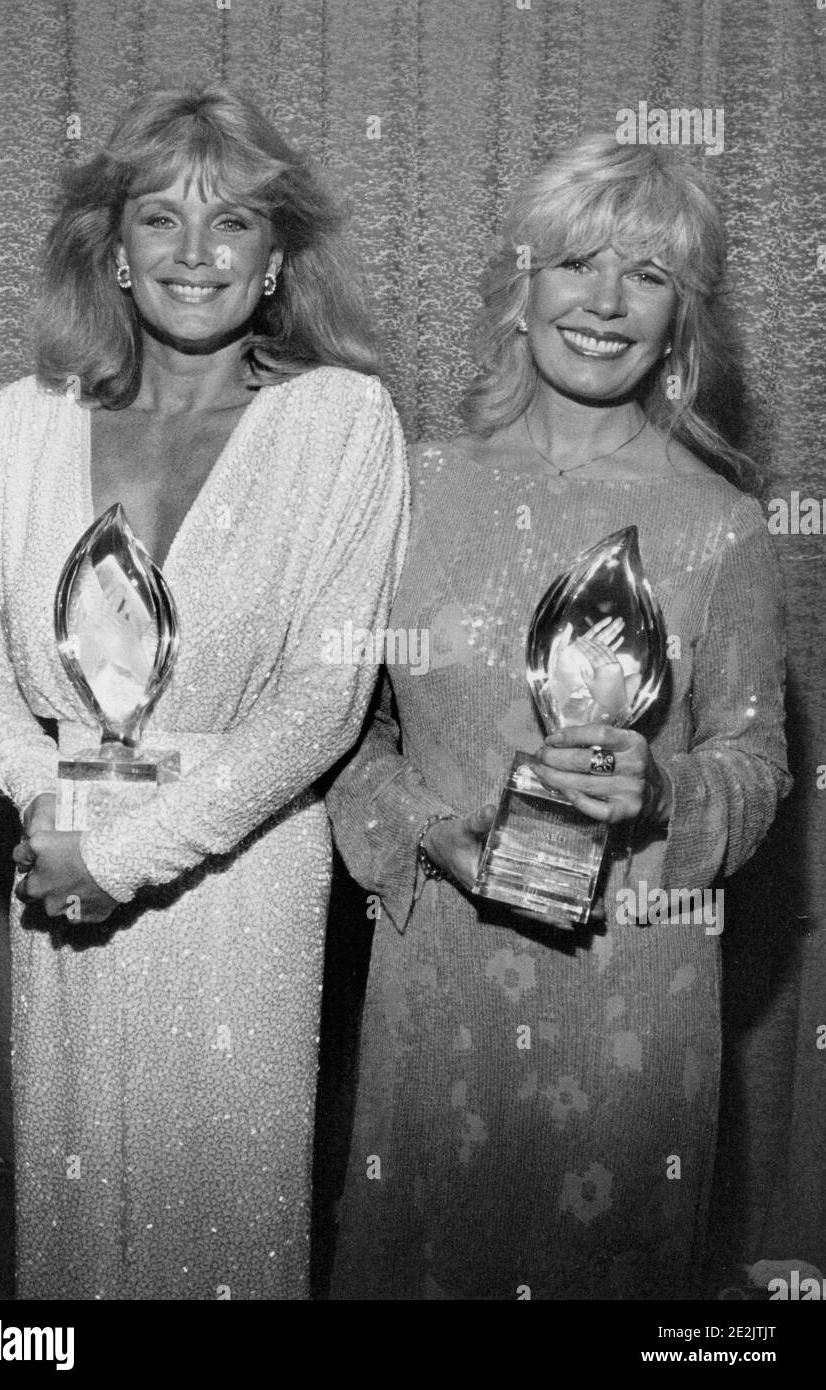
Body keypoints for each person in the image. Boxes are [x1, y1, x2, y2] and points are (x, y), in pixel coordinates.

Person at [0, 84, 408, 1300]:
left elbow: (324, 700)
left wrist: (128, 853)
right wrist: (55, 810)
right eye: (161, 217)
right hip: (60, 860)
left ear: (276, 259)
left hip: (240, 876)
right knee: (77, 1221)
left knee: (222, 1219)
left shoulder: (342, 421)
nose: (195, 252)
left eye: (232, 221)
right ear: (113, 249)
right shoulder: (18, 423)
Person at [324, 135, 791, 1300]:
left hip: (635, 995)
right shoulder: (412, 486)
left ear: (682, 320)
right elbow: (343, 735)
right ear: (521, 283)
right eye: (579, 261)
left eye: (649, 275)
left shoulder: (722, 523)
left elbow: (757, 759)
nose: (606, 302)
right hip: (440, 974)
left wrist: (666, 788)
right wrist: (433, 835)